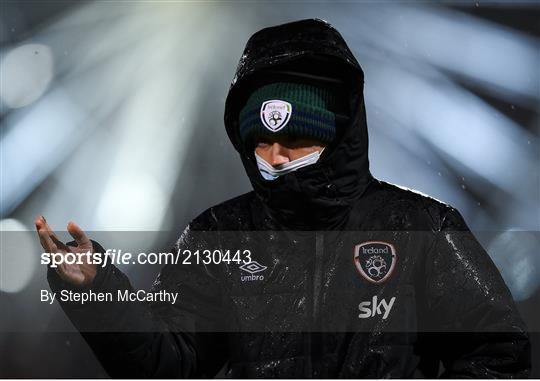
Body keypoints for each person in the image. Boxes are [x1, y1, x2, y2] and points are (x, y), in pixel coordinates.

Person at [35, 18, 530, 378]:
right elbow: (172, 362)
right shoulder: (216, 235)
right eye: (259, 141)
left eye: (293, 139)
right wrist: (96, 290)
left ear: (337, 133)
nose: (272, 156)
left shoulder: (421, 226)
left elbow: (498, 354)